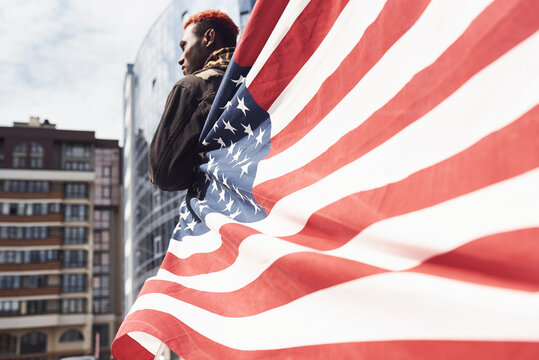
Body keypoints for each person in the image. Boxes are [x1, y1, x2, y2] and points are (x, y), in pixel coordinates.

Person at [149, 10, 239, 191]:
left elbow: (164, 174)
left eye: (184, 46)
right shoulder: (257, 80)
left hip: (223, 211)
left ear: (209, 37)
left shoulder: (192, 87)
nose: (180, 59)